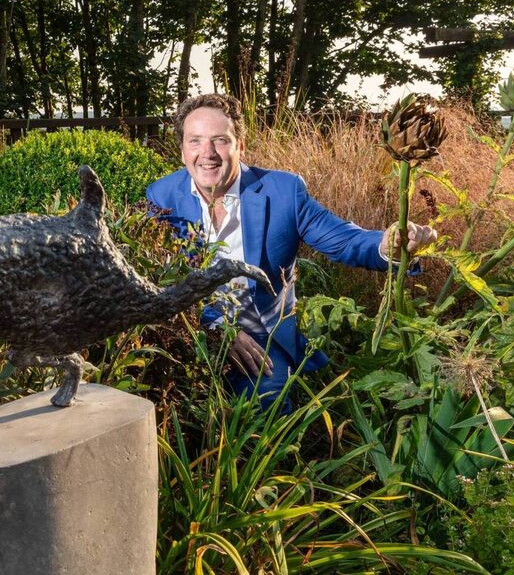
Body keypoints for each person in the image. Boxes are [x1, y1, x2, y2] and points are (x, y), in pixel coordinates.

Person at [146, 93, 437, 410]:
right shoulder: (163, 196)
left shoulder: (283, 191)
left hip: (259, 339)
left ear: (240, 146)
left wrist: (387, 245)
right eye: (195, 141)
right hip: (192, 330)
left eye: (220, 140)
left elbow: (341, 240)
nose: (208, 153)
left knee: (268, 401)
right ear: (182, 149)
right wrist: (216, 329)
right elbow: (158, 277)